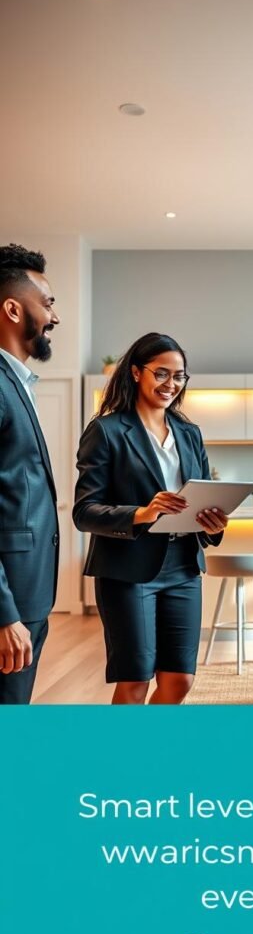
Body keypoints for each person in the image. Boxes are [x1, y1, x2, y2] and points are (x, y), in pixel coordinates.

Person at [73, 332, 228, 705]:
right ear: (136, 372)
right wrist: (143, 513)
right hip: (128, 571)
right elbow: (84, 511)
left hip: (184, 566)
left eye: (179, 376)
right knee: (135, 681)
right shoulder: (107, 431)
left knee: (180, 680)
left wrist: (212, 524)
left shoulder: (189, 433)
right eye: (161, 373)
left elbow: (199, 494)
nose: (170, 384)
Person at [0, 243, 60, 704]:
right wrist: (4, 613)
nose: (54, 317)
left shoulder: (18, 384)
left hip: (27, 592)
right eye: (48, 303)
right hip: (10, 602)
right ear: (13, 309)